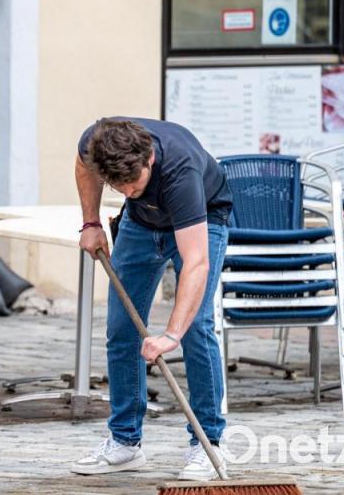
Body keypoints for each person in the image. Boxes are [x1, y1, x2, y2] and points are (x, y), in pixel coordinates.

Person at [72, 117, 232, 481]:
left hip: (203, 218)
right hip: (141, 224)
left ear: (150, 160)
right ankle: (125, 442)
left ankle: (207, 443)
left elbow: (196, 262)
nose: (128, 191)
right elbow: (83, 164)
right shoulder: (95, 142)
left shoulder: (180, 171)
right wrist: (91, 223)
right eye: (120, 186)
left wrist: (171, 335)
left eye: (134, 182)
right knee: (121, 328)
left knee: (197, 327)